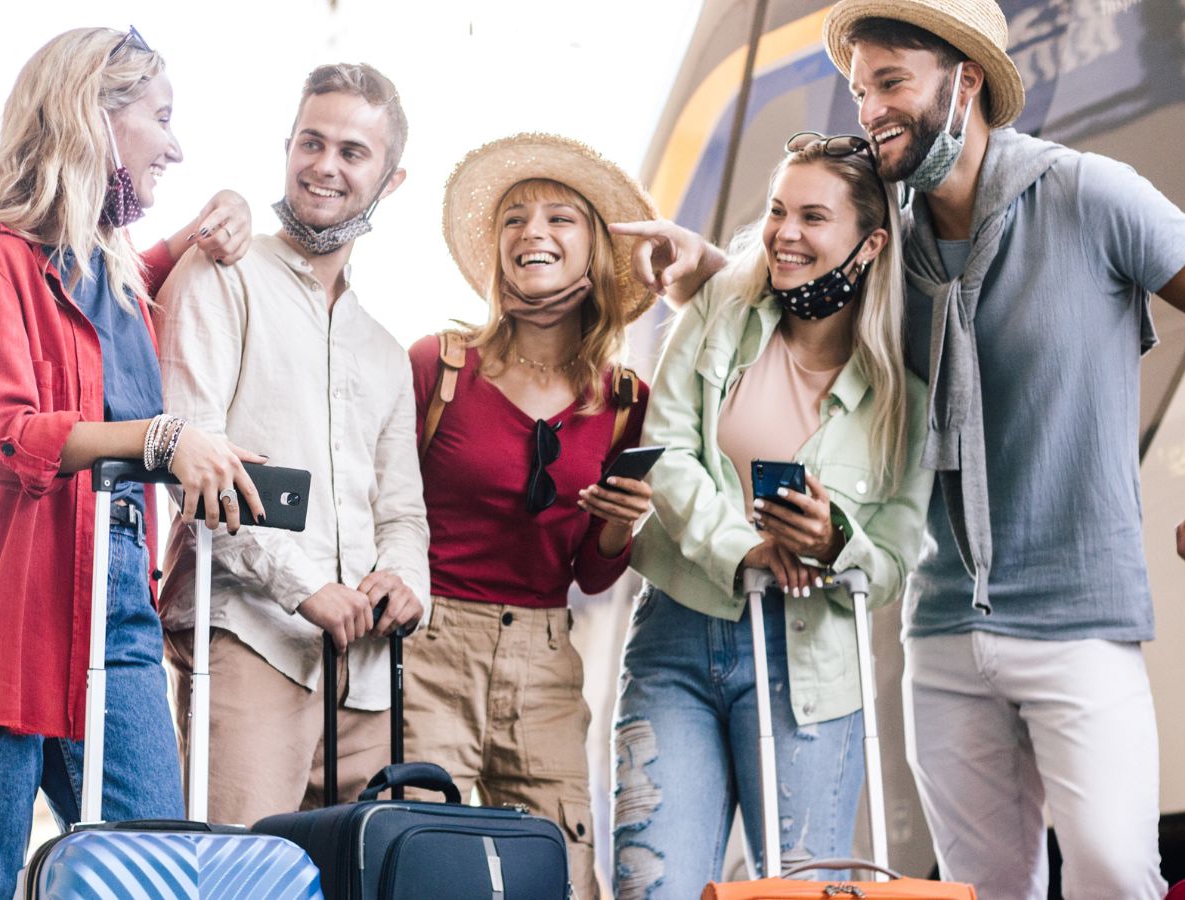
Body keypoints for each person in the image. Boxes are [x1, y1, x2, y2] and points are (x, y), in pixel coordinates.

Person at [611, 0, 1185, 895]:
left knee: (1117, 870)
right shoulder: (888, 246)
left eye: (892, 83)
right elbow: (789, 279)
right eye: (859, 89)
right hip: (942, 627)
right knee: (981, 888)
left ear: (966, 83)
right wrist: (707, 264)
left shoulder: (1090, 194)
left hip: (1079, 618)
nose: (871, 107)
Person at [0, 26, 265, 899]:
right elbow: (8, 433)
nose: (176, 144)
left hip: (117, 599)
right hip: (2, 613)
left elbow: (110, 324)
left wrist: (216, 219)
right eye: (161, 118)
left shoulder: (115, 272)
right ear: (94, 114)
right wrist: (161, 441)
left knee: (157, 872)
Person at [610, 133, 932, 900]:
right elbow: (667, 448)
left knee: (796, 892)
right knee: (652, 889)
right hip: (676, 640)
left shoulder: (904, 399)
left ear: (869, 241)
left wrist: (835, 539)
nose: (785, 233)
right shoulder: (723, 308)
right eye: (778, 211)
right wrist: (743, 550)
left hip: (812, 665)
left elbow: (892, 559)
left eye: (813, 217)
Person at [155, 62, 429, 827]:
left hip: (369, 679)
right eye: (312, 142)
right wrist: (303, 585)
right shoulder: (222, 277)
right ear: (287, 147)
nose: (325, 167)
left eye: (352, 152)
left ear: (390, 178)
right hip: (249, 644)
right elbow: (188, 463)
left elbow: (403, 511)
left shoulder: (383, 350)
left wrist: (408, 581)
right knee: (239, 881)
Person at [404, 133, 658, 900]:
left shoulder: (624, 401)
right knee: (424, 865)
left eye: (559, 219)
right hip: (428, 647)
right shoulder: (439, 365)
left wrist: (621, 523)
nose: (533, 234)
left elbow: (590, 570)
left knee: (561, 869)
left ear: (594, 252)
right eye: (514, 220)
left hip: (547, 655)